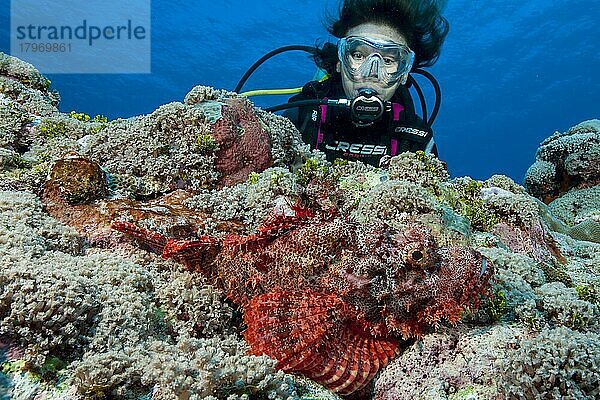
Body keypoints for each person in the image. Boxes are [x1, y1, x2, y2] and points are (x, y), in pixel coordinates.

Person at [285, 0, 449, 167]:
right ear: (340, 62)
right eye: (358, 55)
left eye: (388, 60)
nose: (372, 73)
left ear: (404, 73)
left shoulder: (415, 137)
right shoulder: (302, 114)